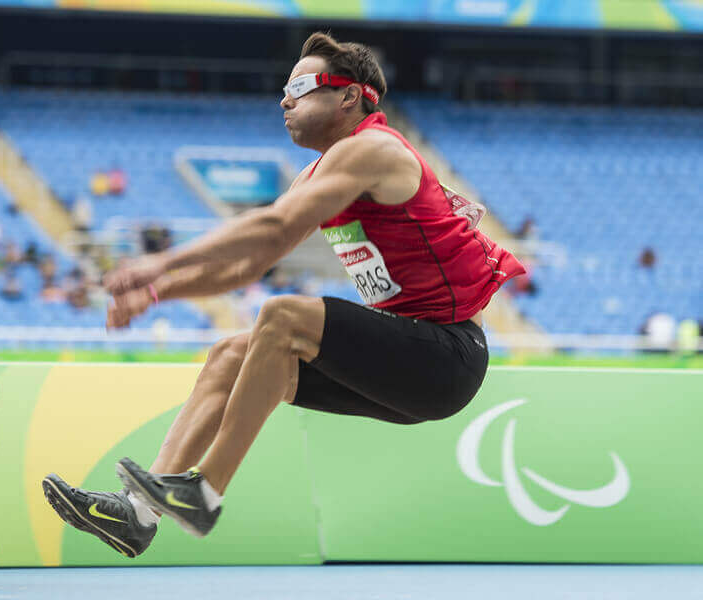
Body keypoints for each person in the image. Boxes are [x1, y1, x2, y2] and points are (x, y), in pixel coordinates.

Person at [42, 32, 525, 557]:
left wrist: (164, 258)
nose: (284, 99)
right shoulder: (319, 173)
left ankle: (204, 492)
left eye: (300, 86)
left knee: (282, 315)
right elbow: (250, 263)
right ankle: (139, 515)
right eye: (284, 88)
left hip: (446, 356)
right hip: (410, 365)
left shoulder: (376, 150)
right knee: (231, 354)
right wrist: (159, 290)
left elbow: (273, 228)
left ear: (349, 96)